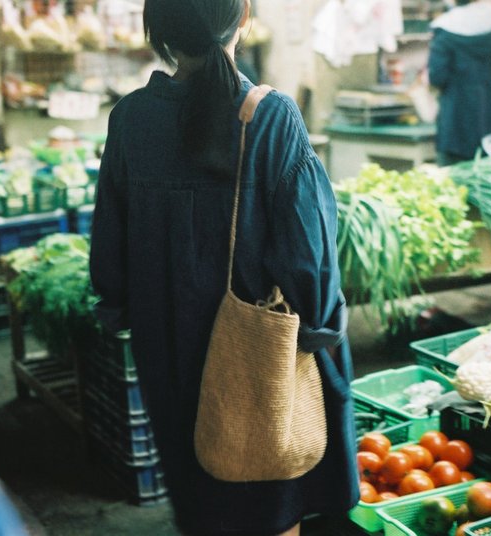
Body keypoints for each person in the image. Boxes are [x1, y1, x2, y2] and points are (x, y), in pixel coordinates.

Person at [88, 1, 359, 535]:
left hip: (165, 346)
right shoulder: (271, 117)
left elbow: (110, 252)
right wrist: (323, 331)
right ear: (243, 22)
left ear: (158, 31)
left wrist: (121, 307)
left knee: (200, 490)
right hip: (259, 352)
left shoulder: (130, 119)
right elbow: (310, 259)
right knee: (267, 491)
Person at [427, 0, 491, 166]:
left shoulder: (445, 27)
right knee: (489, 169)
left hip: (457, 112)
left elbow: (437, 76)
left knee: (454, 176)